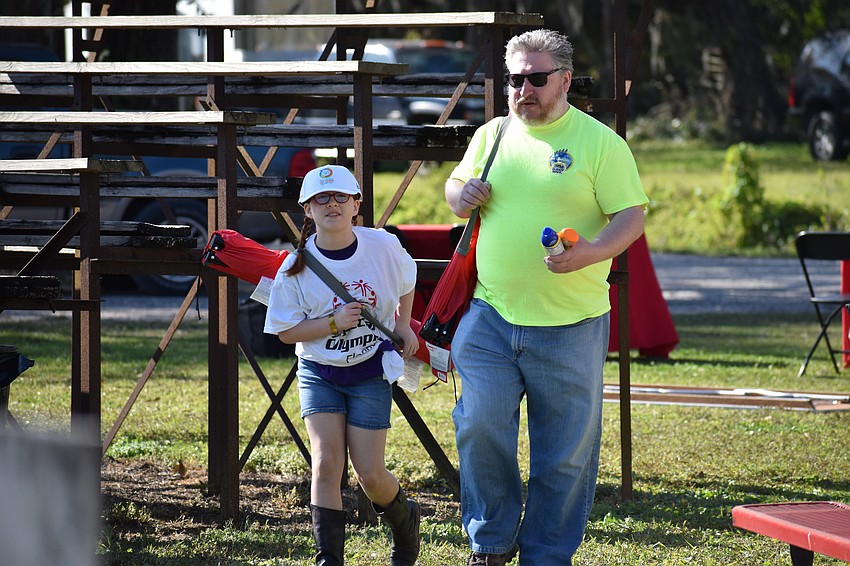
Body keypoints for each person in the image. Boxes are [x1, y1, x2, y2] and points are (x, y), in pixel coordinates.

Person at [445, 29, 649, 565]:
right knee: (480, 425)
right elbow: (454, 189)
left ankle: (546, 555)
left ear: (564, 80)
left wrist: (594, 252)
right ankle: (490, 542)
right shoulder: (491, 136)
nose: (524, 89)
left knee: (563, 458)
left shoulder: (600, 142)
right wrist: (459, 194)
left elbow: (631, 215)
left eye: (536, 78)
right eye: (515, 79)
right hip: (490, 315)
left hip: (571, 323)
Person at [264, 164, 421, 566]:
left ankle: (406, 524)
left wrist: (403, 325)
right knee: (326, 462)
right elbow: (285, 331)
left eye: (340, 197)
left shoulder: (383, 246)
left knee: (370, 474)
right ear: (308, 210)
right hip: (320, 372)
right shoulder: (295, 266)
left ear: (356, 205)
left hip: (369, 370)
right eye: (321, 198)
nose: (331, 204)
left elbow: (407, 278)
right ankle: (328, 558)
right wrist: (333, 322)